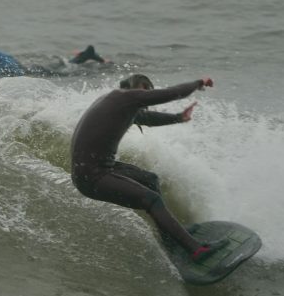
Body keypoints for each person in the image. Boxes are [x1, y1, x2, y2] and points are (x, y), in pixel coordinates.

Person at [70, 74, 230, 262]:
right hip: (93, 176)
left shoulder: (118, 101)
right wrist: (198, 83)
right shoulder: (127, 98)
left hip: (94, 170)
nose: (148, 97)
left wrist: (179, 117)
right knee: (151, 199)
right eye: (147, 91)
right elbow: (173, 93)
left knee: (150, 180)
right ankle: (197, 251)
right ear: (139, 88)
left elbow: (146, 118)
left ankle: (171, 240)